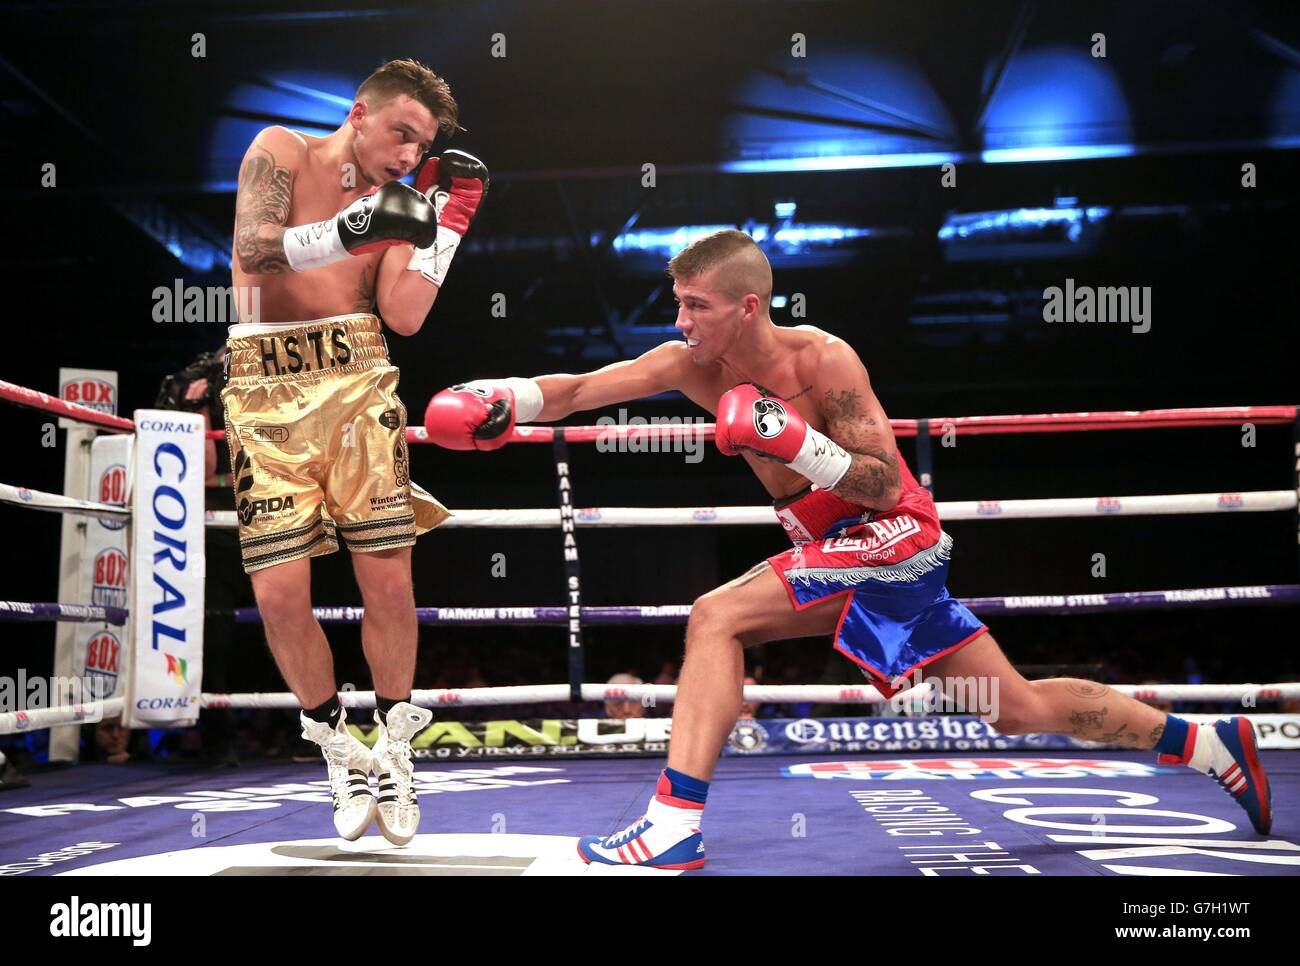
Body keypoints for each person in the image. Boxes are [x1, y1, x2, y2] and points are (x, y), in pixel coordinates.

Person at [424, 229, 1271, 869]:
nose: (680, 320)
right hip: (844, 549)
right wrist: (505, 397)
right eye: (677, 303)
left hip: (897, 536)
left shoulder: (824, 361)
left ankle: (673, 826)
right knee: (1016, 708)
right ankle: (1207, 742)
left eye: (697, 306)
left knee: (715, 617)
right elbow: (580, 389)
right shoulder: (690, 365)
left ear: (748, 306)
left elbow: (877, 478)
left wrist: (794, 441)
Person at [224, 58, 487, 844]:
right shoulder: (282, 149)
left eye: (422, 144)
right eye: (401, 132)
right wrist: (348, 230)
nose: (409, 154)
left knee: (389, 582)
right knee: (277, 596)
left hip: (359, 379)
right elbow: (254, 246)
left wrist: (448, 225)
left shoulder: (404, 205)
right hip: (262, 386)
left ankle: (397, 750)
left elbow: (405, 315)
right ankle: (339, 746)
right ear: (359, 113)